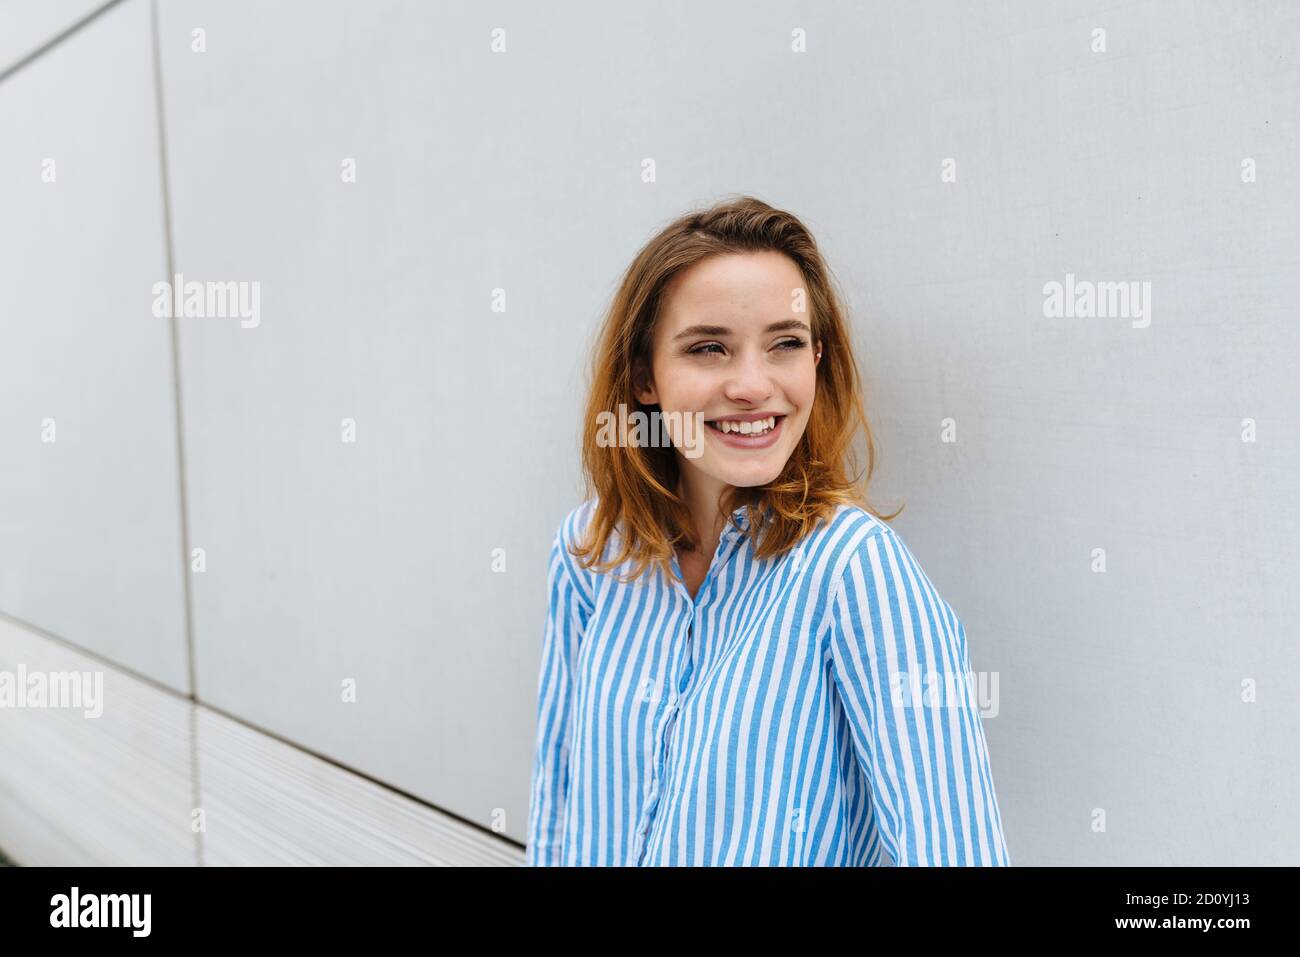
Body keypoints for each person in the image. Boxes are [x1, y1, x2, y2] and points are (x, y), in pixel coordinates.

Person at [526, 195, 1010, 866]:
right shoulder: (591, 552)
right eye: (708, 348)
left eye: (784, 343)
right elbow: (559, 804)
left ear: (815, 358)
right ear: (643, 376)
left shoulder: (856, 571)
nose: (752, 385)